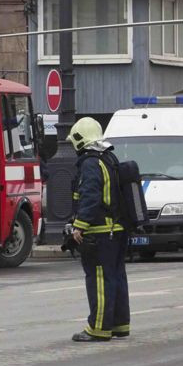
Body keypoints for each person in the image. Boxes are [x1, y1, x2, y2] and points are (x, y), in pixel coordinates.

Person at [68, 117, 130, 343]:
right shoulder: (109, 158)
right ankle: (120, 324)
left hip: (101, 232)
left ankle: (99, 328)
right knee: (116, 277)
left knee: (100, 280)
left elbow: (90, 195)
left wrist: (79, 225)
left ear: (79, 139)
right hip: (117, 229)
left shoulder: (90, 163)